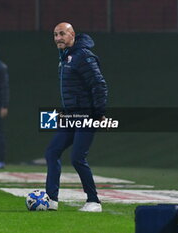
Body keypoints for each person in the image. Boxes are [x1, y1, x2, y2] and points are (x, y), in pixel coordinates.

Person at [45, 22, 107, 212]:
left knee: (77, 158)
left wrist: (99, 113)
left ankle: (94, 201)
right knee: (52, 152)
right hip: (72, 115)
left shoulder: (83, 56)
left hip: (86, 114)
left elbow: (99, 84)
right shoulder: (66, 56)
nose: (58, 38)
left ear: (72, 34)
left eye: (62, 34)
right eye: (55, 35)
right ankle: (51, 200)